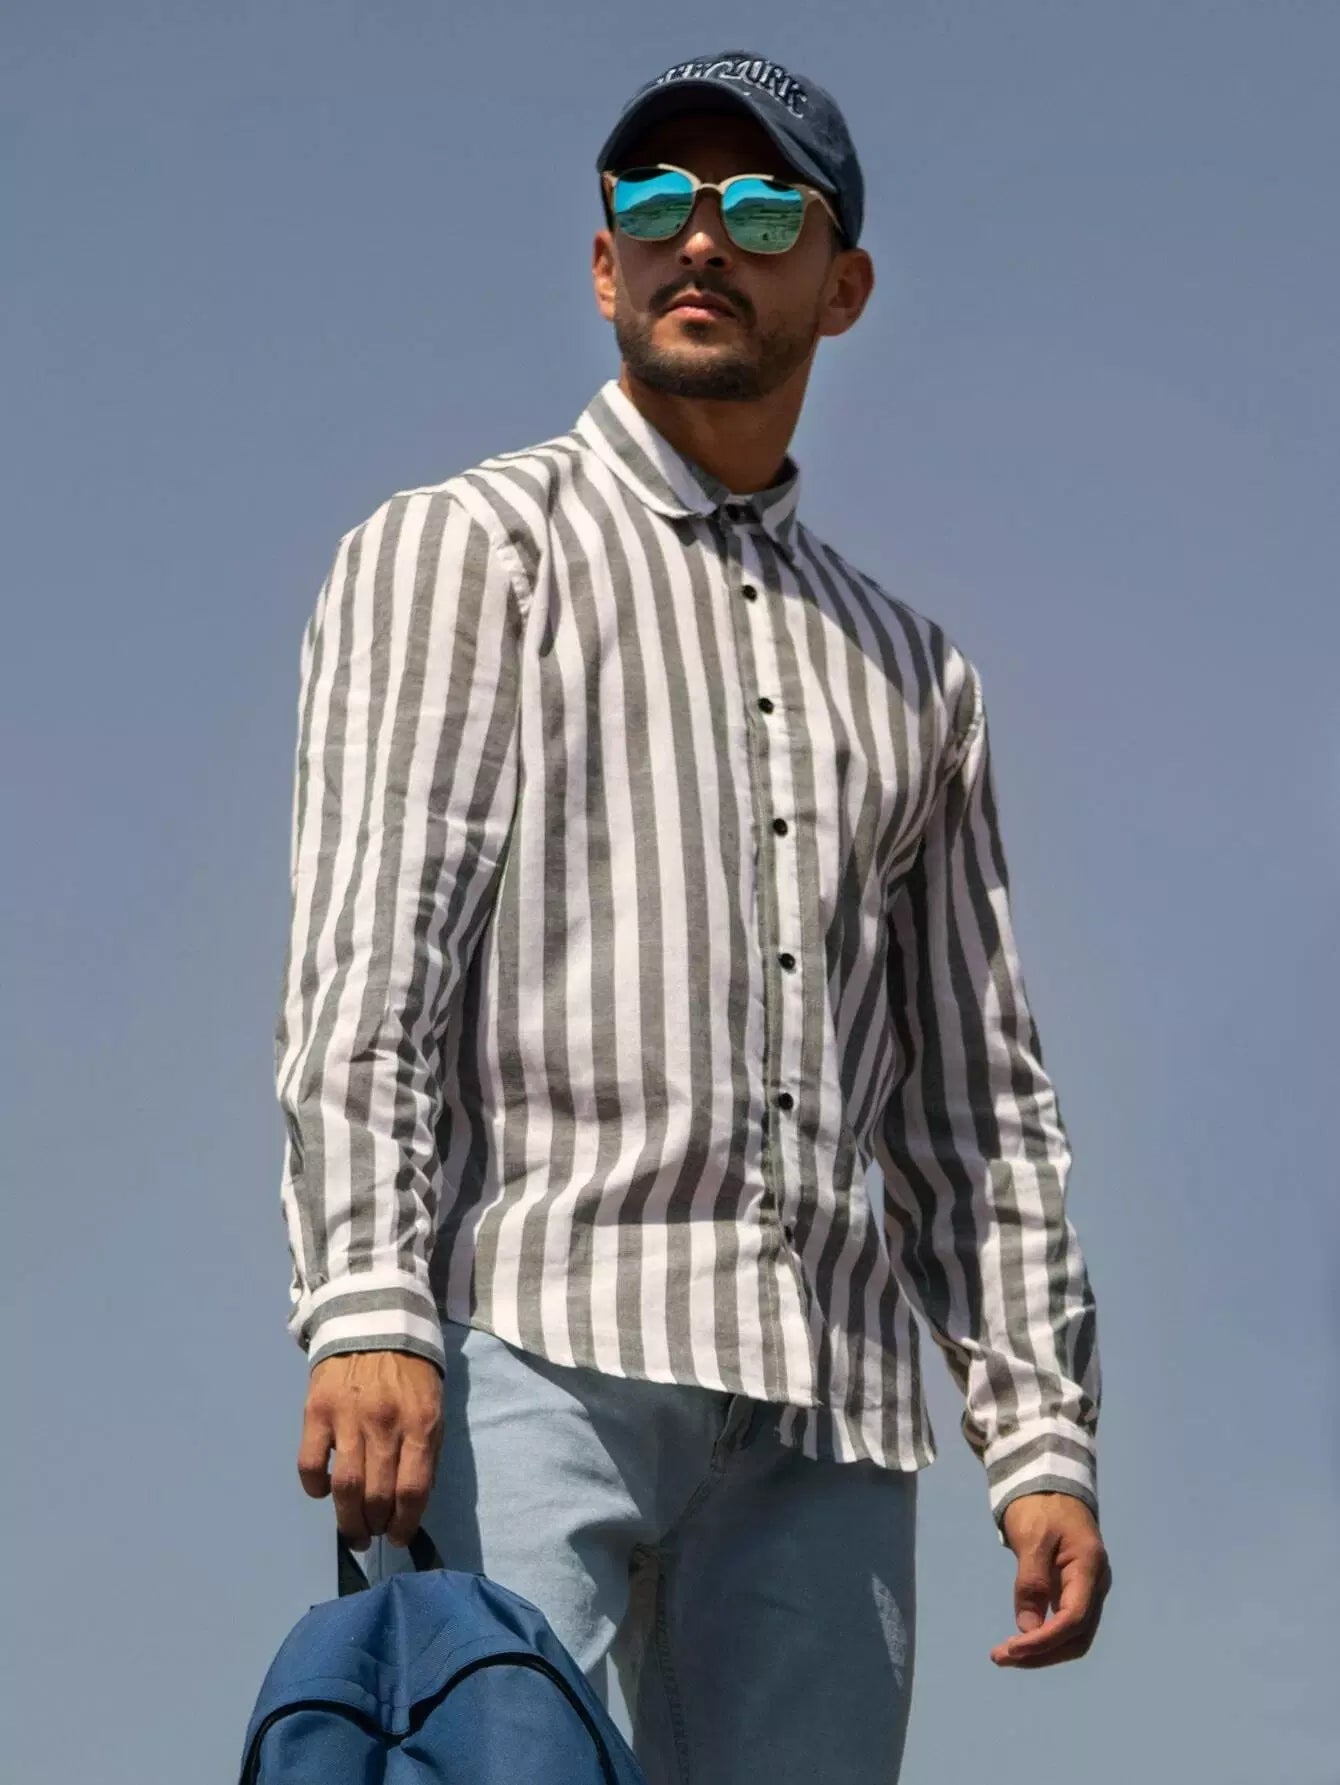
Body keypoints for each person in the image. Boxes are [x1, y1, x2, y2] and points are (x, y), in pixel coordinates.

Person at [273, 50, 1110, 1783]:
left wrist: (1039, 1432)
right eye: (657, 202)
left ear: (843, 285)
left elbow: (974, 1099)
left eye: (761, 208)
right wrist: (365, 1299)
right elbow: (370, 965)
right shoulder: (469, 550)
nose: (702, 239)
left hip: (832, 1422)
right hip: (540, 1353)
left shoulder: (915, 676)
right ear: (607, 266)